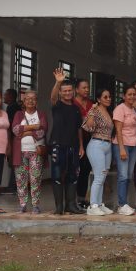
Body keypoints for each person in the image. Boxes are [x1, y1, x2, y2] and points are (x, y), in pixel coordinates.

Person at [47, 69, 86, 215]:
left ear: (73, 92)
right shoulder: (57, 105)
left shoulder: (76, 109)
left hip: (73, 147)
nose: (67, 93)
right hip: (58, 145)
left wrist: (81, 146)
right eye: (64, 91)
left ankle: (71, 205)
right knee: (57, 176)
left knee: (73, 176)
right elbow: (52, 96)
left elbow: (78, 129)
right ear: (61, 93)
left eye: (70, 90)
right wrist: (58, 82)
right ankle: (59, 207)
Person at [9, 90, 47, 214]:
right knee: (20, 179)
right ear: (24, 102)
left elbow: (42, 131)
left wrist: (24, 130)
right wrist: (33, 127)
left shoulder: (41, 114)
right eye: (27, 99)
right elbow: (15, 130)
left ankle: (35, 204)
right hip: (20, 152)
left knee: (35, 179)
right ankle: (23, 204)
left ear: (36, 101)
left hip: (35, 151)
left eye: (33, 98)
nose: (30, 101)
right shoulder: (18, 115)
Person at [82, 89, 115, 216]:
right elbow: (87, 127)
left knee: (103, 176)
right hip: (96, 144)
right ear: (98, 99)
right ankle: (92, 206)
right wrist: (92, 110)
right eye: (105, 97)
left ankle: (100, 204)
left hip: (107, 145)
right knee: (99, 176)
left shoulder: (108, 111)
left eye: (109, 96)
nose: (108, 99)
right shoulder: (95, 110)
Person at [111, 85, 136, 216]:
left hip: (133, 146)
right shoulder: (119, 109)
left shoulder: (134, 110)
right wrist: (122, 149)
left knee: (128, 176)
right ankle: (121, 204)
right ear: (123, 96)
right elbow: (118, 130)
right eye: (129, 94)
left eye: (134, 94)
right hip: (122, 145)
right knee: (123, 176)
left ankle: (124, 204)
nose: (132, 96)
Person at [72, 78, 95, 208]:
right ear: (77, 89)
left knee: (85, 169)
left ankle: (81, 198)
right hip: (74, 140)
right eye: (84, 87)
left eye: (88, 87)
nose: (87, 90)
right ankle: (71, 198)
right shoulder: (73, 103)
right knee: (74, 170)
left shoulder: (91, 104)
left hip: (89, 140)